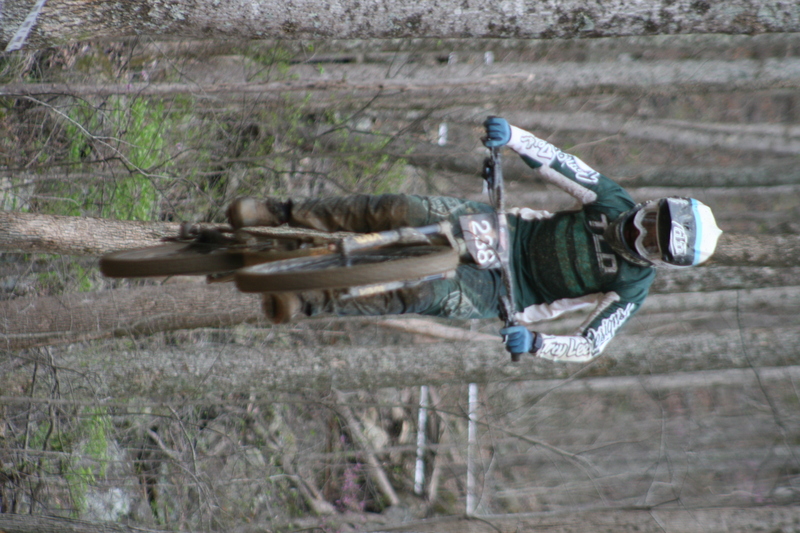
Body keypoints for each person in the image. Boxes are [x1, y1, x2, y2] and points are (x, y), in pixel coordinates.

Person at [227, 117, 722, 362]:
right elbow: (561, 163)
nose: (636, 230)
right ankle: (282, 211)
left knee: (423, 291)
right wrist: (513, 137)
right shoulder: (612, 200)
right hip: (501, 231)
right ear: (653, 204)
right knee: (399, 210)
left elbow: (591, 344)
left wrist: (536, 344)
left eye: (651, 242)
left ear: (662, 261)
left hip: (506, 295)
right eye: (649, 218)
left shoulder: (632, 287)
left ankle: (305, 300)